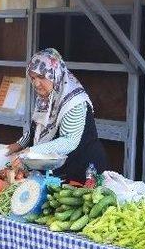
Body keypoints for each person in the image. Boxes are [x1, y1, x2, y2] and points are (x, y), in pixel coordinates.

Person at [7, 48, 107, 182]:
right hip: (59, 170)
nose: (36, 83)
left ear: (55, 74)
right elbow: (36, 129)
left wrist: (31, 152)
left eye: (41, 77)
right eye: (32, 77)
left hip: (83, 169)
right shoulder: (47, 97)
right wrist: (19, 145)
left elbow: (69, 141)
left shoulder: (74, 101)